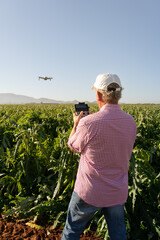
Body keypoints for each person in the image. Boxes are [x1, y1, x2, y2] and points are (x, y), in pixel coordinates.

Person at [61, 73, 137, 240]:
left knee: (72, 231)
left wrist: (76, 125)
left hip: (89, 191)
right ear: (119, 94)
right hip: (117, 190)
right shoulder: (131, 122)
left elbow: (73, 146)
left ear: (98, 94)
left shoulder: (89, 122)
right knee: (118, 234)